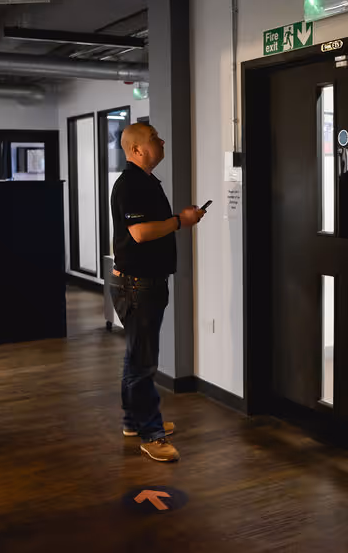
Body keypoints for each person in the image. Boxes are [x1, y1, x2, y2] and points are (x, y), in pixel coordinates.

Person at [109, 122, 205, 462]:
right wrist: (181, 221)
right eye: (154, 138)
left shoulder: (147, 182)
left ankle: (133, 422)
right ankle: (152, 435)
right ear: (137, 150)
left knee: (137, 356)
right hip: (137, 286)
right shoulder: (130, 184)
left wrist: (181, 219)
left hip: (143, 283)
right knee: (143, 363)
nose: (161, 141)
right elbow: (140, 233)